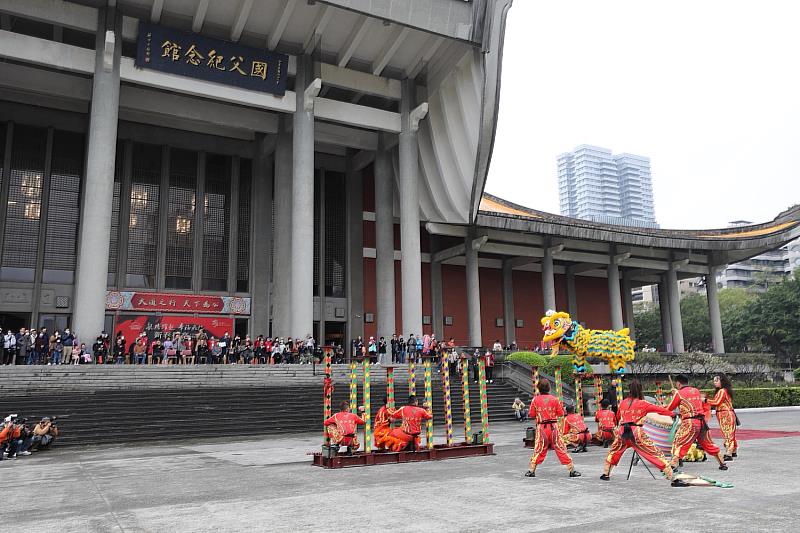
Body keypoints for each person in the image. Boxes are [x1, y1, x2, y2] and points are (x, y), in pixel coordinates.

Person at [601, 380, 676, 481]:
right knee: (653, 453)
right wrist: (673, 415)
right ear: (640, 390)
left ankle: (606, 474)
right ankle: (672, 477)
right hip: (636, 432)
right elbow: (661, 410)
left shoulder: (623, 403)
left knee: (614, 451)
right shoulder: (643, 403)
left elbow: (618, 416)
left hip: (622, 431)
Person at [666, 375, 728, 471]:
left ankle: (673, 464)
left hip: (690, 422)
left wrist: (658, 409)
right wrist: (677, 394)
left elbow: (669, 408)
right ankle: (722, 463)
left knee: (678, 441)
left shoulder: (679, 393)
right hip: (702, 423)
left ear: (678, 383)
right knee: (708, 444)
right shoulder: (696, 391)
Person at [525, 379, 581, 478]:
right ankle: (572, 470)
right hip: (554, 427)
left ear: (538, 388)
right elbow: (561, 414)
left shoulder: (535, 400)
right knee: (560, 447)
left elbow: (532, 414)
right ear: (549, 388)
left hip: (542, 427)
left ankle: (531, 470)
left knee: (539, 448)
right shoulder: (555, 399)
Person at [706, 373, 738, 460]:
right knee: (730, 433)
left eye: (716, 381)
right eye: (714, 381)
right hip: (725, 414)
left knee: (728, 433)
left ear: (722, 381)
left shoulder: (722, 391)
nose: (715, 383)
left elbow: (717, 402)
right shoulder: (724, 390)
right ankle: (733, 451)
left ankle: (729, 453)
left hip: (725, 415)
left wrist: (705, 400)